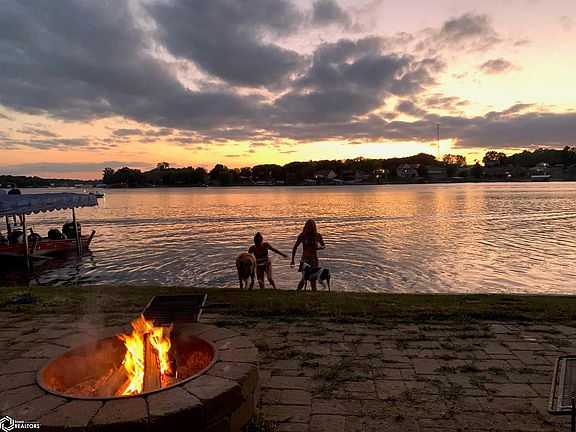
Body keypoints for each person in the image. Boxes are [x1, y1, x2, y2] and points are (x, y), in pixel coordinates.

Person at [290, 219, 325, 291]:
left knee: (313, 280)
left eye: (310, 228)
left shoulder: (318, 236)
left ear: (314, 228)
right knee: (304, 279)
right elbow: (295, 247)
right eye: (308, 227)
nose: (309, 229)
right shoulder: (302, 236)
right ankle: (297, 292)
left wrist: (320, 248)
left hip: (314, 260)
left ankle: (314, 294)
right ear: (305, 227)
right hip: (305, 259)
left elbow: (323, 245)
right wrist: (292, 260)